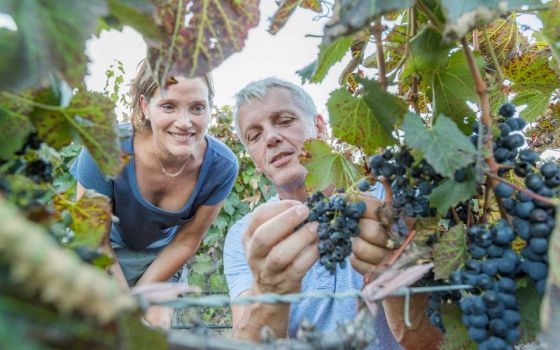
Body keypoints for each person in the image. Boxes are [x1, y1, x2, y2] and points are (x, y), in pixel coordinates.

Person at [224, 78, 442, 349]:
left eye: (284, 120)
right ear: (255, 161)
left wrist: (400, 274)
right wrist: (268, 293)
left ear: (319, 127)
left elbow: (435, 341)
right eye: (254, 136)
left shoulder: (388, 203)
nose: (271, 138)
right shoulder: (247, 236)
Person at [71, 60, 238, 326]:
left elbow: (186, 242)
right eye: (169, 106)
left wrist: (138, 301)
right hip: (104, 251)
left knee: (155, 333)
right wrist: (125, 307)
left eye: (197, 108)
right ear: (145, 106)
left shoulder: (221, 166)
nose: (184, 123)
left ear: (209, 109)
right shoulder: (103, 148)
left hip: (160, 260)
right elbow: (94, 239)